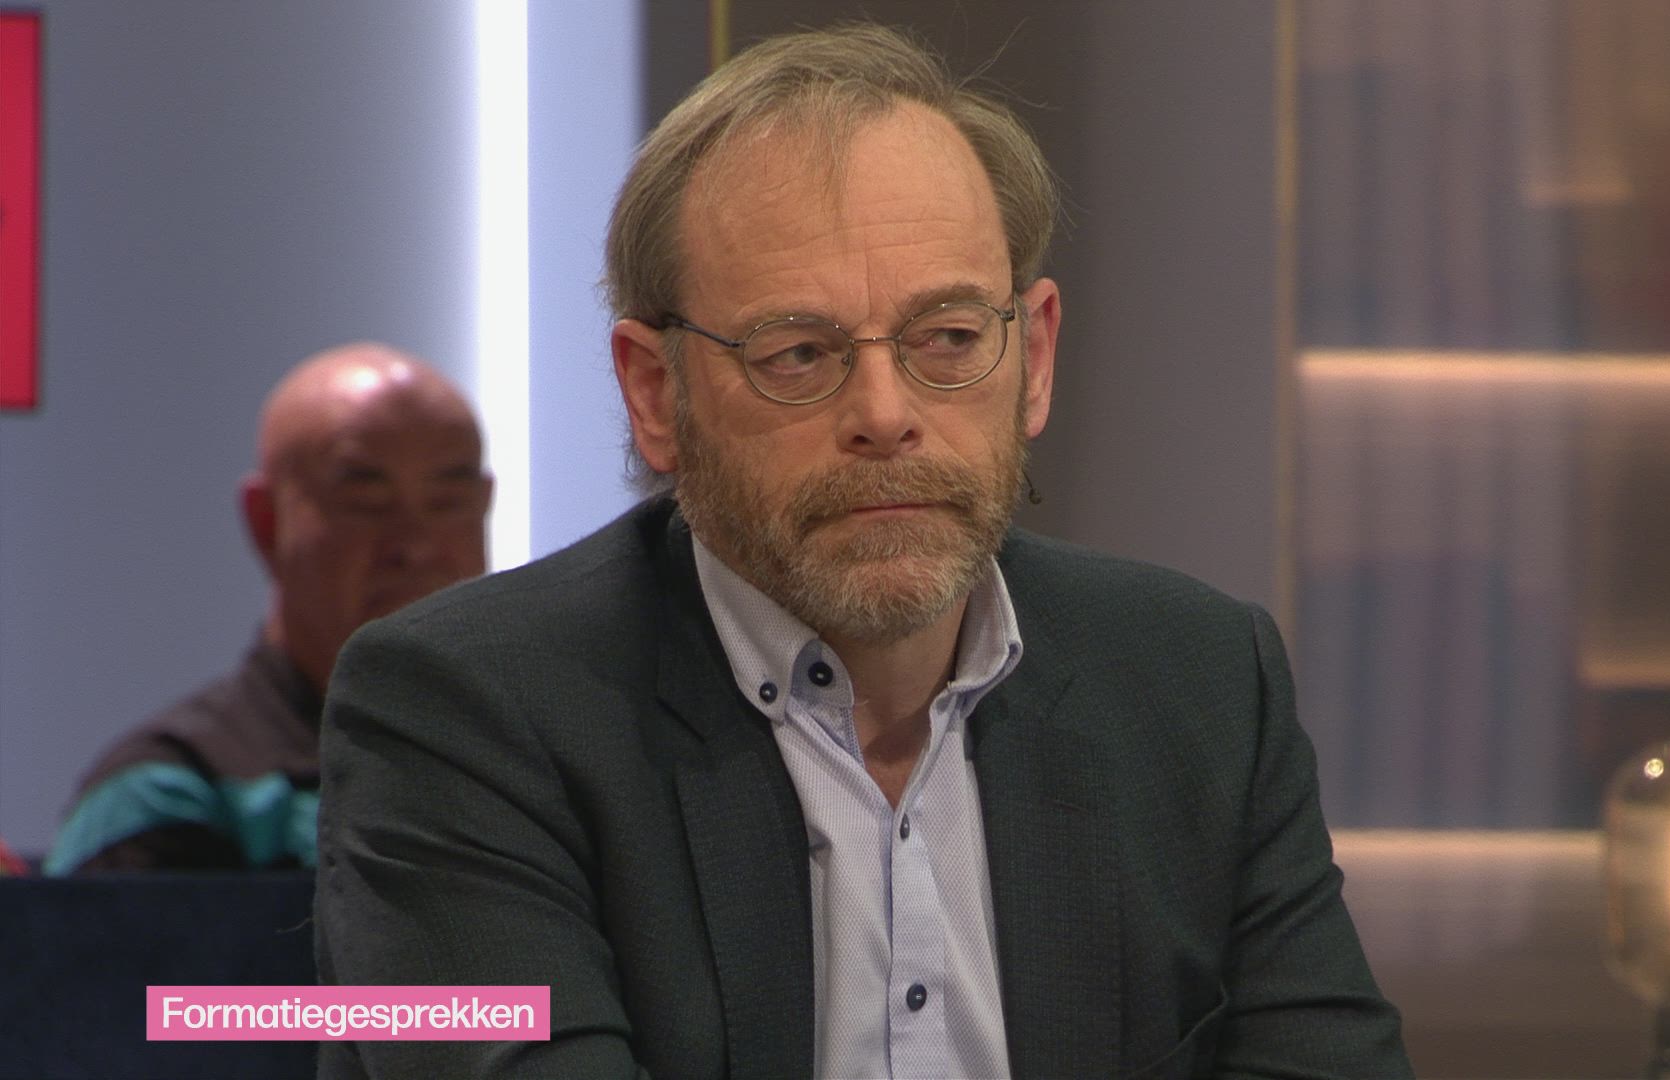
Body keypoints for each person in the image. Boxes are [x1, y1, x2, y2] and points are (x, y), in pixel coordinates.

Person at [315, 24, 1409, 1079]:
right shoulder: (460, 717)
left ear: (1033, 360)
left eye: (949, 338)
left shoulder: (1198, 682)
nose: (886, 415)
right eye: (799, 353)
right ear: (655, 393)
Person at [44, 343, 491, 875]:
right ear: (266, 521)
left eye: (448, 502)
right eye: (366, 501)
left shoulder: (535, 766)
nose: (415, 545)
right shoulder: (170, 794)